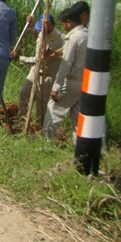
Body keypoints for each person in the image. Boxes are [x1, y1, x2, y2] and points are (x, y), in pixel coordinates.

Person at [42, 8, 88, 142]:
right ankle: (80, 145)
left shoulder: (73, 38)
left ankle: (46, 141)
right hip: (84, 82)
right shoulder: (88, 35)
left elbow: (66, 64)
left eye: (63, 24)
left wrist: (56, 87)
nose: (64, 27)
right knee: (78, 117)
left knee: (54, 111)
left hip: (71, 82)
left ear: (69, 22)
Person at [12, 13, 64, 121]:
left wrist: (20, 58)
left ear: (49, 25)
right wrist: (31, 27)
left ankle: (39, 125)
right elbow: (37, 37)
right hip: (35, 71)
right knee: (24, 93)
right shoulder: (41, 32)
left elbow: (39, 60)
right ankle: (21, 119)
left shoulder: (60, 38)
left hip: (47, 75)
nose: (41, 31)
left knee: (41, 102)